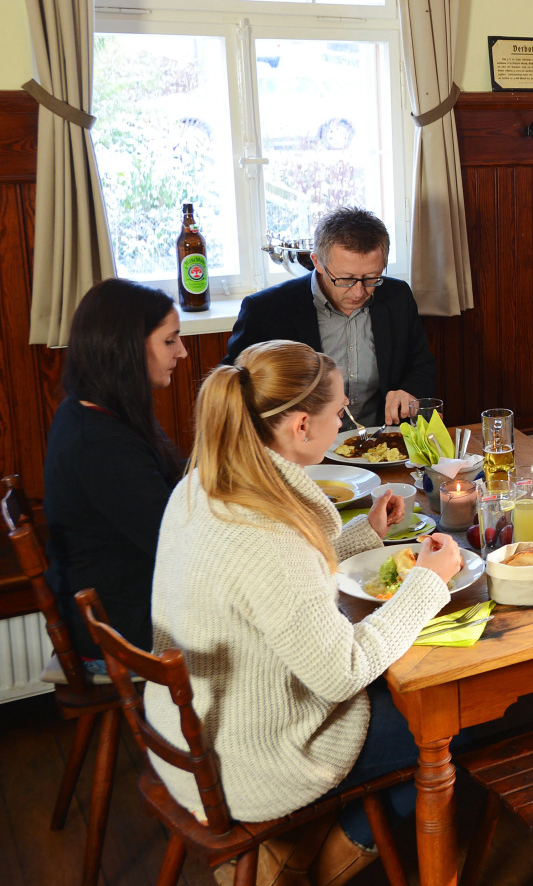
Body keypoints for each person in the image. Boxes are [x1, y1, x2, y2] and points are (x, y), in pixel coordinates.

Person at [146, 340, 477, 886]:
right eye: (340, 412)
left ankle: (295, 847)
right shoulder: (268, 534)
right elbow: (339, 671)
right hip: (249, 761)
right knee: (451, 720)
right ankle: (312, 861)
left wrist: (364, 535)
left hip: (190, 738)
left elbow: (277, 580)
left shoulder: (202, 484)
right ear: (301, 425)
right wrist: (427, 583)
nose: (345, 421)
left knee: (414, 695)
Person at [43, 279, 188, 666]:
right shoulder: (102, 445)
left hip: (127, 602)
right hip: (121, 630)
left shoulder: (94, 410)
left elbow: (174, 501)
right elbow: (179, 545)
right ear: (128, 349)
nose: (183, 352)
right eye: (170, 340)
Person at [225, 207, 436, 427]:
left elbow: (421, 365)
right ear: (317, 262)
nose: (358, 293)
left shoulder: (397, 297)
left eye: (371, 278)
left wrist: (408, 391)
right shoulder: (267, 309)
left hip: (382, 443)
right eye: (345, 279)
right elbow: (235, 387)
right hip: (301, 450)